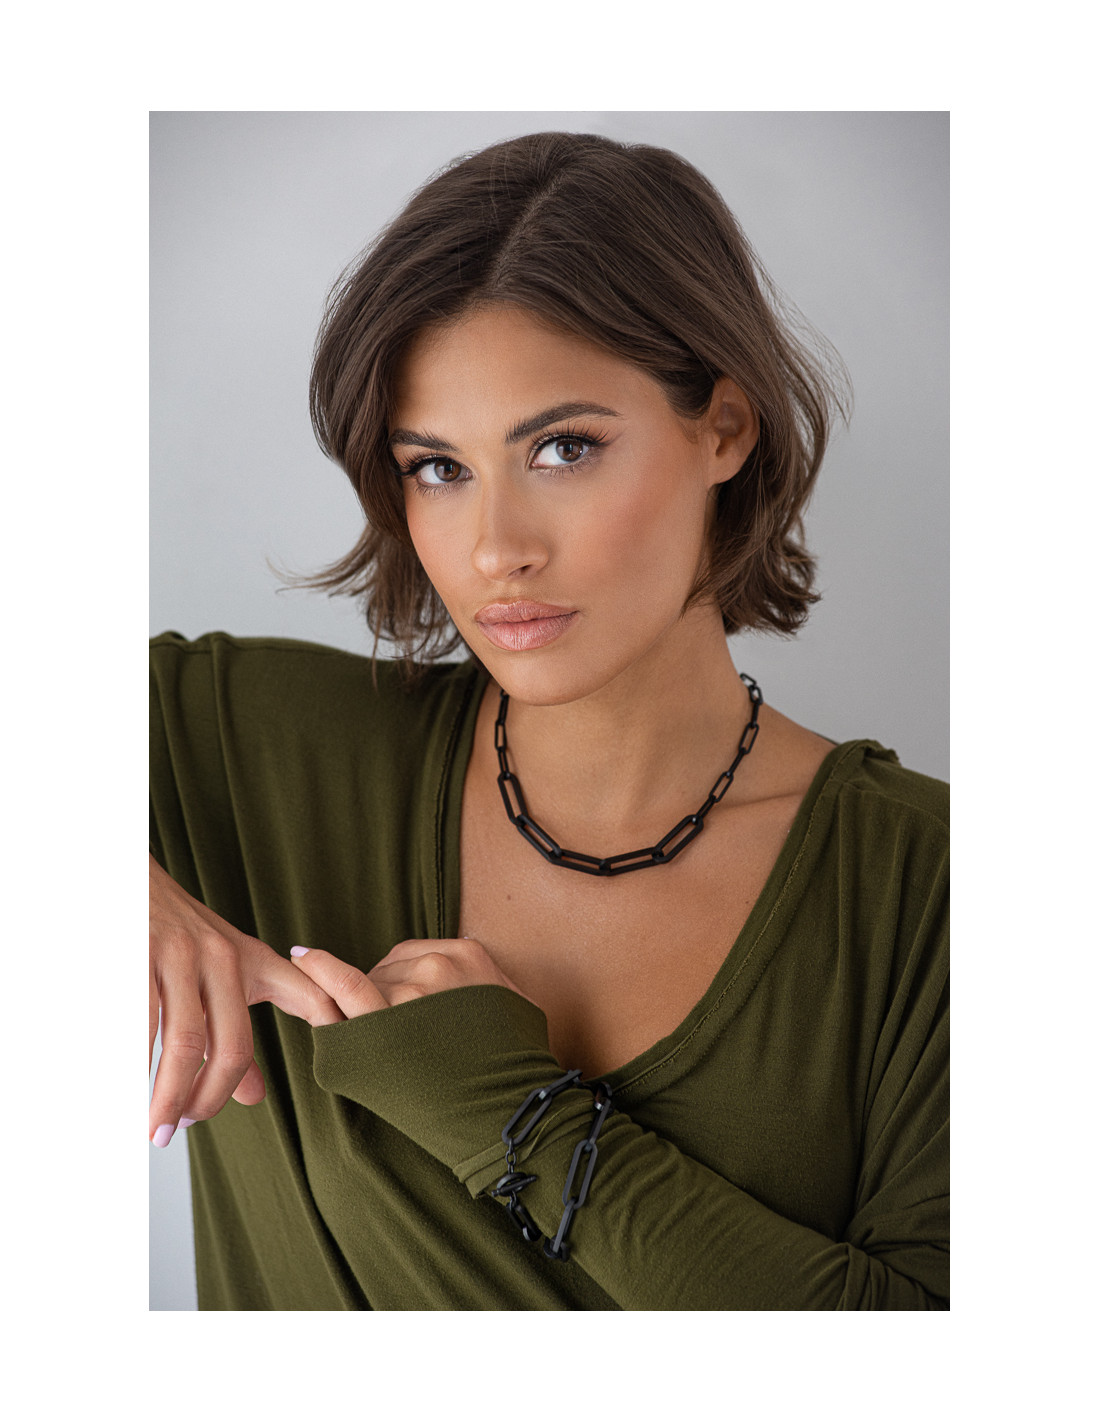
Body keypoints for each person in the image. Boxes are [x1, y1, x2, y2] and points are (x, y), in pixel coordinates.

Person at [149, 131, 948, 1310]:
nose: (495, 549)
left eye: (563, 448)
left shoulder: (928, 891)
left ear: (723, 429)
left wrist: (502, 1107)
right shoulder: (237, 745)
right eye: (437, 468)